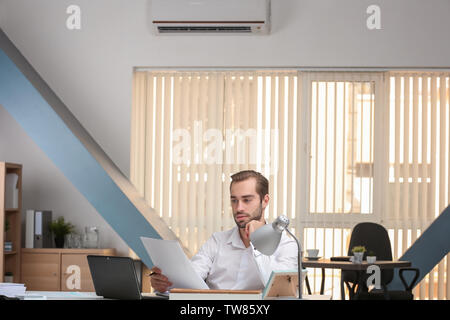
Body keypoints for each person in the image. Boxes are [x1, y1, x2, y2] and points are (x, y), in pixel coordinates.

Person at [150, 170, 298, 292]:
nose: (239, 208)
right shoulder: (217, 241)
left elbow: (280, 290)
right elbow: (191, 277)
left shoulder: (286, 245)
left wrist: (257, 242)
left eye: (247, 200)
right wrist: (165, 285)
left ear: (265, 201)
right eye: (234, 200)